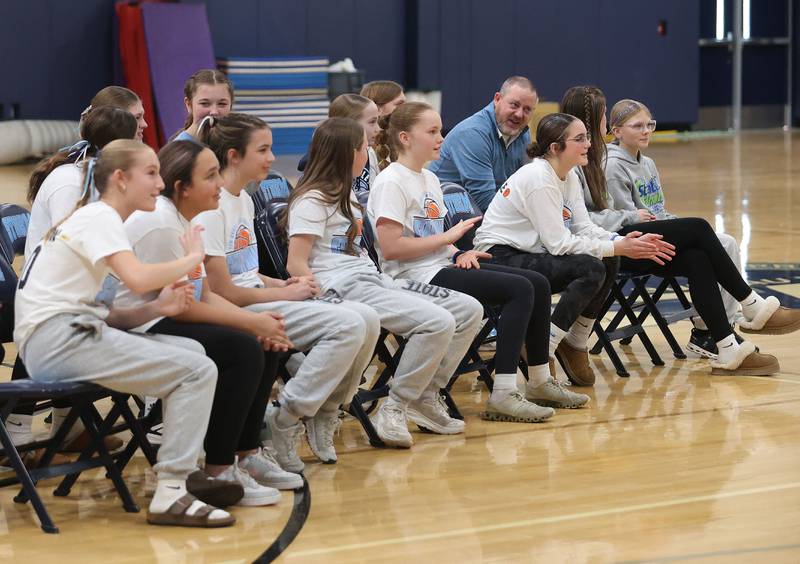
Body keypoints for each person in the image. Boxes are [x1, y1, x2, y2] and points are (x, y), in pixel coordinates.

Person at [475, 113, 800, 379]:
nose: (590, 143)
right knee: (609, 259)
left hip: (535, 249)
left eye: (588, 136)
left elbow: (585, 227)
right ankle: (550, 344)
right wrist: (620, 245)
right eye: (581, 139)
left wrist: (622, 240)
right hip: (503, 255)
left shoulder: (569, 174)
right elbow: (559, 243)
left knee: (697, 256)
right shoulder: (538, 179)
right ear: (556, 147)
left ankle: (727, 347)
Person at [14, 139, 232, 527]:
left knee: (194, 353)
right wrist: (194, 258)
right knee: (197, 371)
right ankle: (172, 491)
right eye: (150, 173)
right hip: (58, 340)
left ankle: (179, 472)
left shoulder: (95, 218)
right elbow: (138, 276)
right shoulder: (100, 216)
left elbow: (108, 313)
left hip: (64, 335)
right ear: (119, 178)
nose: (160, 183)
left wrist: (155, 309)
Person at [369, 102, 589, 421]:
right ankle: (503, 393)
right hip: (411, 276)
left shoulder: (429, 179)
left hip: (439, 264)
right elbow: (390, 250)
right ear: (404, 138)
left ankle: (540, 382)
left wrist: (459, 252)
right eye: (431, 132)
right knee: (519, 290)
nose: (441, 138)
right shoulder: (392, 181)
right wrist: (448, 240)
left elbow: (431, 239)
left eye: (440, 130)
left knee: (537, 284)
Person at [115, 140, 303, 504]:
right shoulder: (161, 224)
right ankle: (219, 468)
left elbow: (202, 295)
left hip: (166, 313)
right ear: (183, 187)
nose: (220, 184)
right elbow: (183, 308)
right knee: (242, 348)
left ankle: (246, 455)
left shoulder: (184, 218)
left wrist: (256, 321)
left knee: (259, 342)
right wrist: (249, 325)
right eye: (210, 176)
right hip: (137, 323)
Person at [197, 113, 379, 469]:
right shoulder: (211, 207)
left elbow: (247, 273)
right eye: (263, 150)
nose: (271, 158)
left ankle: (325, 411)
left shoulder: (243, 200)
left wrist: (282, 284)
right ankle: (286, 417)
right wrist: (284, 294)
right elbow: (222, 291)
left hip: (257, 297)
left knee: (368, 318)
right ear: (234, 156)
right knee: (348, 325)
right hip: (233, 311)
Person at [286, 118, 482, 448]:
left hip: (373, 280)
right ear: (349, 153)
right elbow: (296, 262)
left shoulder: (347, 197)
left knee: (468, 309)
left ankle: (427, 396)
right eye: (364, 148)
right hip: (342, 288)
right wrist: (315, 296)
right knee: (437, 322)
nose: (369, 153)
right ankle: (394, 407)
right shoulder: (312, 200)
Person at [5, 106, 139, 457]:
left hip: (75, 291)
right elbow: (73, 250)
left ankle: (70, 425)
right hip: (46, 296)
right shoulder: (70, 182)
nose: (145, 126)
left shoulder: (100, 177)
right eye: (138, 120)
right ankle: (15, 430)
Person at [605, 97, 745, 358]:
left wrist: (676, 224)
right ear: (617, 131)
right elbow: (628, 221)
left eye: (649, 124)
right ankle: (723, 324)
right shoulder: (613, 166)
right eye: (637, 126)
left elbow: (658, 210)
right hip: (639, 244)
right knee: (715, 241)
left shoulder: (647, 164)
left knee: (724, 243)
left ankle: (714, 329)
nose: (646, 131)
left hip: (661, 232)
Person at [428, 76, 538, 211]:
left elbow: (524, 186)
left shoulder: (522, 133)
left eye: (527, 109)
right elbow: (484, 201)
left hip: (482, 214)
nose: (519, 114)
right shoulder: (473, 134)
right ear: (497, 99)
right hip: (444, 215)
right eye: (514, 105)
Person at [173, 69, 234, 141]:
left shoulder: (238, 143)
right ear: (189, 105)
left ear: (231, 105)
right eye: (204, 103)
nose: (214, 112)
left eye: (222, 104)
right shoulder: (181, 148)